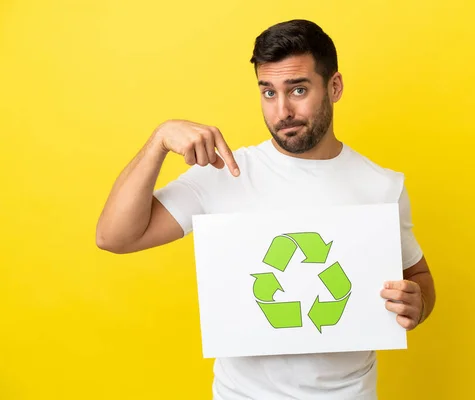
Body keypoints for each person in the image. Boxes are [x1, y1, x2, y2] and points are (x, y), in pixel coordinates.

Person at [96, 18, 436, 400]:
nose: (283, 110)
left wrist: (417, 303)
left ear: (334, 87)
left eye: (299, 89)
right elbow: (114, 237)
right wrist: (158, 141)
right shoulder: (225, 174)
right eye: (269, 93)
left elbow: (419, 277)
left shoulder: (382, 185)